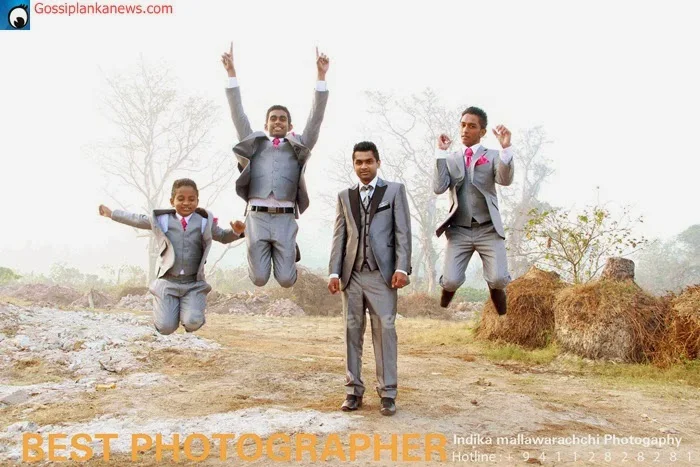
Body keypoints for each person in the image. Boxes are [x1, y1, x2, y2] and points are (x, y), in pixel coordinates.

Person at [221, 42, 330, 288]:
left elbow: (316, 118)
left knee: (286, 280)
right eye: (273, 119)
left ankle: (290, 247)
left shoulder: (299, 145)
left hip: (285, 217)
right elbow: (237, 114)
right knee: (259, 279)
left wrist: (321, 77)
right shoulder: (254, 144)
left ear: (290, 125)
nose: (277, 122)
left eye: (282, 119)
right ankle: (255, 246)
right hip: (256, 217)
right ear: (266, 124)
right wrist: (231, 73)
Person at [98, 178, 245, 334]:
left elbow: (222, 236)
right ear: (172, 201)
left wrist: (236, 231)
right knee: (165, 327)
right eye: (180, 199)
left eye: (191, 199)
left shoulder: (204, 222)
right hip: (168, 282)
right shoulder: (162, 220)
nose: (186, 203)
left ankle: (191, 312)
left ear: (197, 201)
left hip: (193, 284)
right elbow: (137, 220)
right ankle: (165, 311)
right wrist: (112, 214)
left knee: (193, 321)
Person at [328, 141, 411, 416]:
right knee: (351, 332)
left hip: (382, 277)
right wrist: (334, 272)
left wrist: (402, 268)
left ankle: (387, 393)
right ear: (354, 164)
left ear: (378, 163)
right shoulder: (344, 196)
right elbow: (340, 237)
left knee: (385, 332)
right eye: (359, 162)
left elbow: (402, 232)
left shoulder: (394, 191)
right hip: (351, 276)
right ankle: (353, 391)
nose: (364, 166)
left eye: (368, 161)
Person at [433, 107, 515, 315]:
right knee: (450, 281)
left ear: (482, 131)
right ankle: (445, 298)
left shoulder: (493, 155)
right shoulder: (450, 158)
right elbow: (439, 187)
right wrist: (440, 153)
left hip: (488, 229)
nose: (465, 130)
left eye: (471, 126)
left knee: (498, 279)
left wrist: (506, 149)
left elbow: (504, 180)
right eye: (462, 125)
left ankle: (496, 294)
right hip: (459, 230)